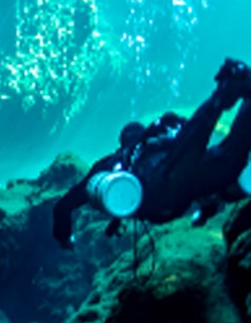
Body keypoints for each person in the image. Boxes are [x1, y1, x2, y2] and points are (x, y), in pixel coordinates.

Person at [53, 58, 251, 248]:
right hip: (190, 180)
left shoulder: (117, 160)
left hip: (162, 191)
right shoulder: (150, 146)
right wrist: (205, 213)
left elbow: (63, 206)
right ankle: (238, 98)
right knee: (229, 155)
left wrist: (64, 238)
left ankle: (223, 94)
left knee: (201, 160)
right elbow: (207, 193)